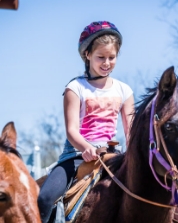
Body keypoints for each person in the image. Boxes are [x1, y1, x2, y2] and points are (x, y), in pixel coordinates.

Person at [38, 21, 134, 223]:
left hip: (112, 156)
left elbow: (130, 133)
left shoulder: (124, 90)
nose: (107, 62)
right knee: (45, 199)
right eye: (101, 57)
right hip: (76, 156)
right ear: (87, 55)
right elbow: (72, 130)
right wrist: (86, 147)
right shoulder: (75, 87)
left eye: (112, 57)